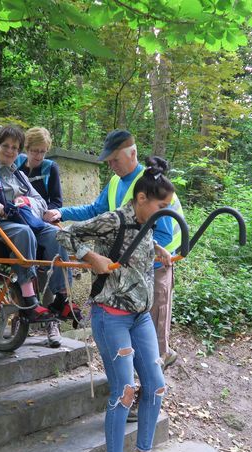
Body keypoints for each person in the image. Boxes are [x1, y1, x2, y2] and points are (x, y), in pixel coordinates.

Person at [56, 157, 176, 452]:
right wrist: (91, 256)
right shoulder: (113, 220)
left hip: (140, 318)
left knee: (155, 386)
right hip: (110, 317)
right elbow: (66, 236)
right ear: (141, 199)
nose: (166, 210)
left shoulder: (148, 223)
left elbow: (136, 252)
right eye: (162, 204)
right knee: (124, 391)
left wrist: (158, 251)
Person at [44, 130, 184, 369]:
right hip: (126, 272)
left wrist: (138, 258)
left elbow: (162, 234)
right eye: (107, 160)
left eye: (114, 159)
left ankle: (153, 381)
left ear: (133, 154)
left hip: (156, 269)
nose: (110, 165)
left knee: (155, 338)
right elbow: (97, 211)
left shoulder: (152, 185)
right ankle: (134, 381)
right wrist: (62, 213)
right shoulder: (116, 182)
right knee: (132, 335)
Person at [0, 125, 79, 348]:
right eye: (5, 146)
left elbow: (41, 202)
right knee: (23, 233)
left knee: (56, 234)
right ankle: (29, 300)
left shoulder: (18, 174)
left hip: (20, 221)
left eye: (14, 147)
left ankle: (62, 298)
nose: (10, 151)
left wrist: (28, 202)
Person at [14, 127, 63, 209]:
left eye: (43, 151)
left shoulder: (50, 168)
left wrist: (42, 213)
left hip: (40, 213)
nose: (39, 156)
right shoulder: (17, 162)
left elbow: (57, 202)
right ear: (27, 148)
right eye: (35, 151)